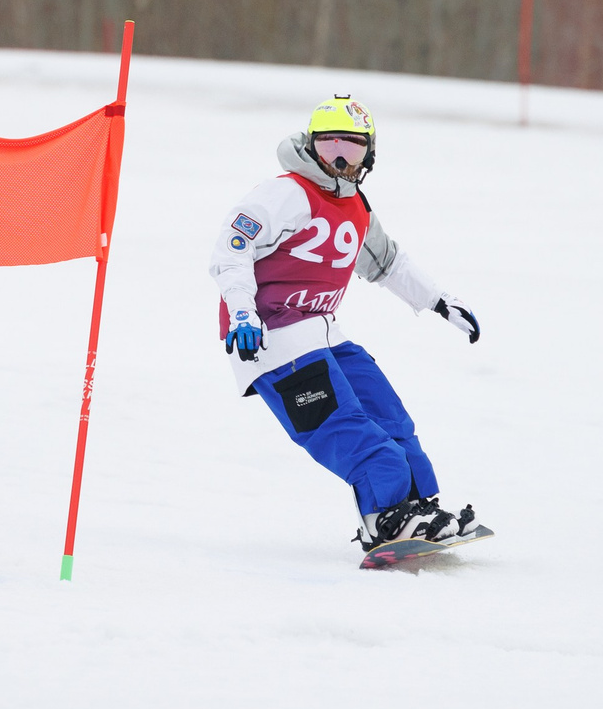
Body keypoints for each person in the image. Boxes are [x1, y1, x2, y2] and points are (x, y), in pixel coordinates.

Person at [209, 94, 487, 557]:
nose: (338, 157)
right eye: (328, 144)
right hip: (271, 337)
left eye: (352, 147)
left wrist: (438, 300)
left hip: (323, 333)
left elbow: (386, 262)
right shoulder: (285, 193)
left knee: (394, 423)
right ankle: (386, 519)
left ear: (369, 153)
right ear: (311, 144)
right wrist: (242, 312)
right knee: (356, 435)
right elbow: (231, 250)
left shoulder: (355, 206)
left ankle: (419, 511)